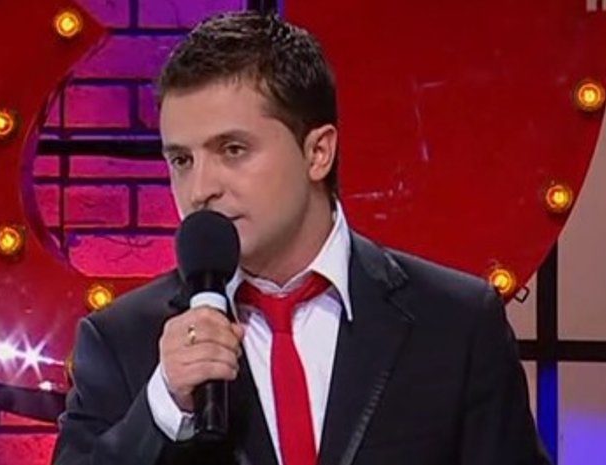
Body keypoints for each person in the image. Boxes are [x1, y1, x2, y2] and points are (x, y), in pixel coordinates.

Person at [52, 10, 550, 465]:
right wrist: (162, 406)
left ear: (318, 153)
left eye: (232, 149)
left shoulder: (457, 323)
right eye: (182, 160)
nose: (200, 189)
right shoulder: (122, 341)